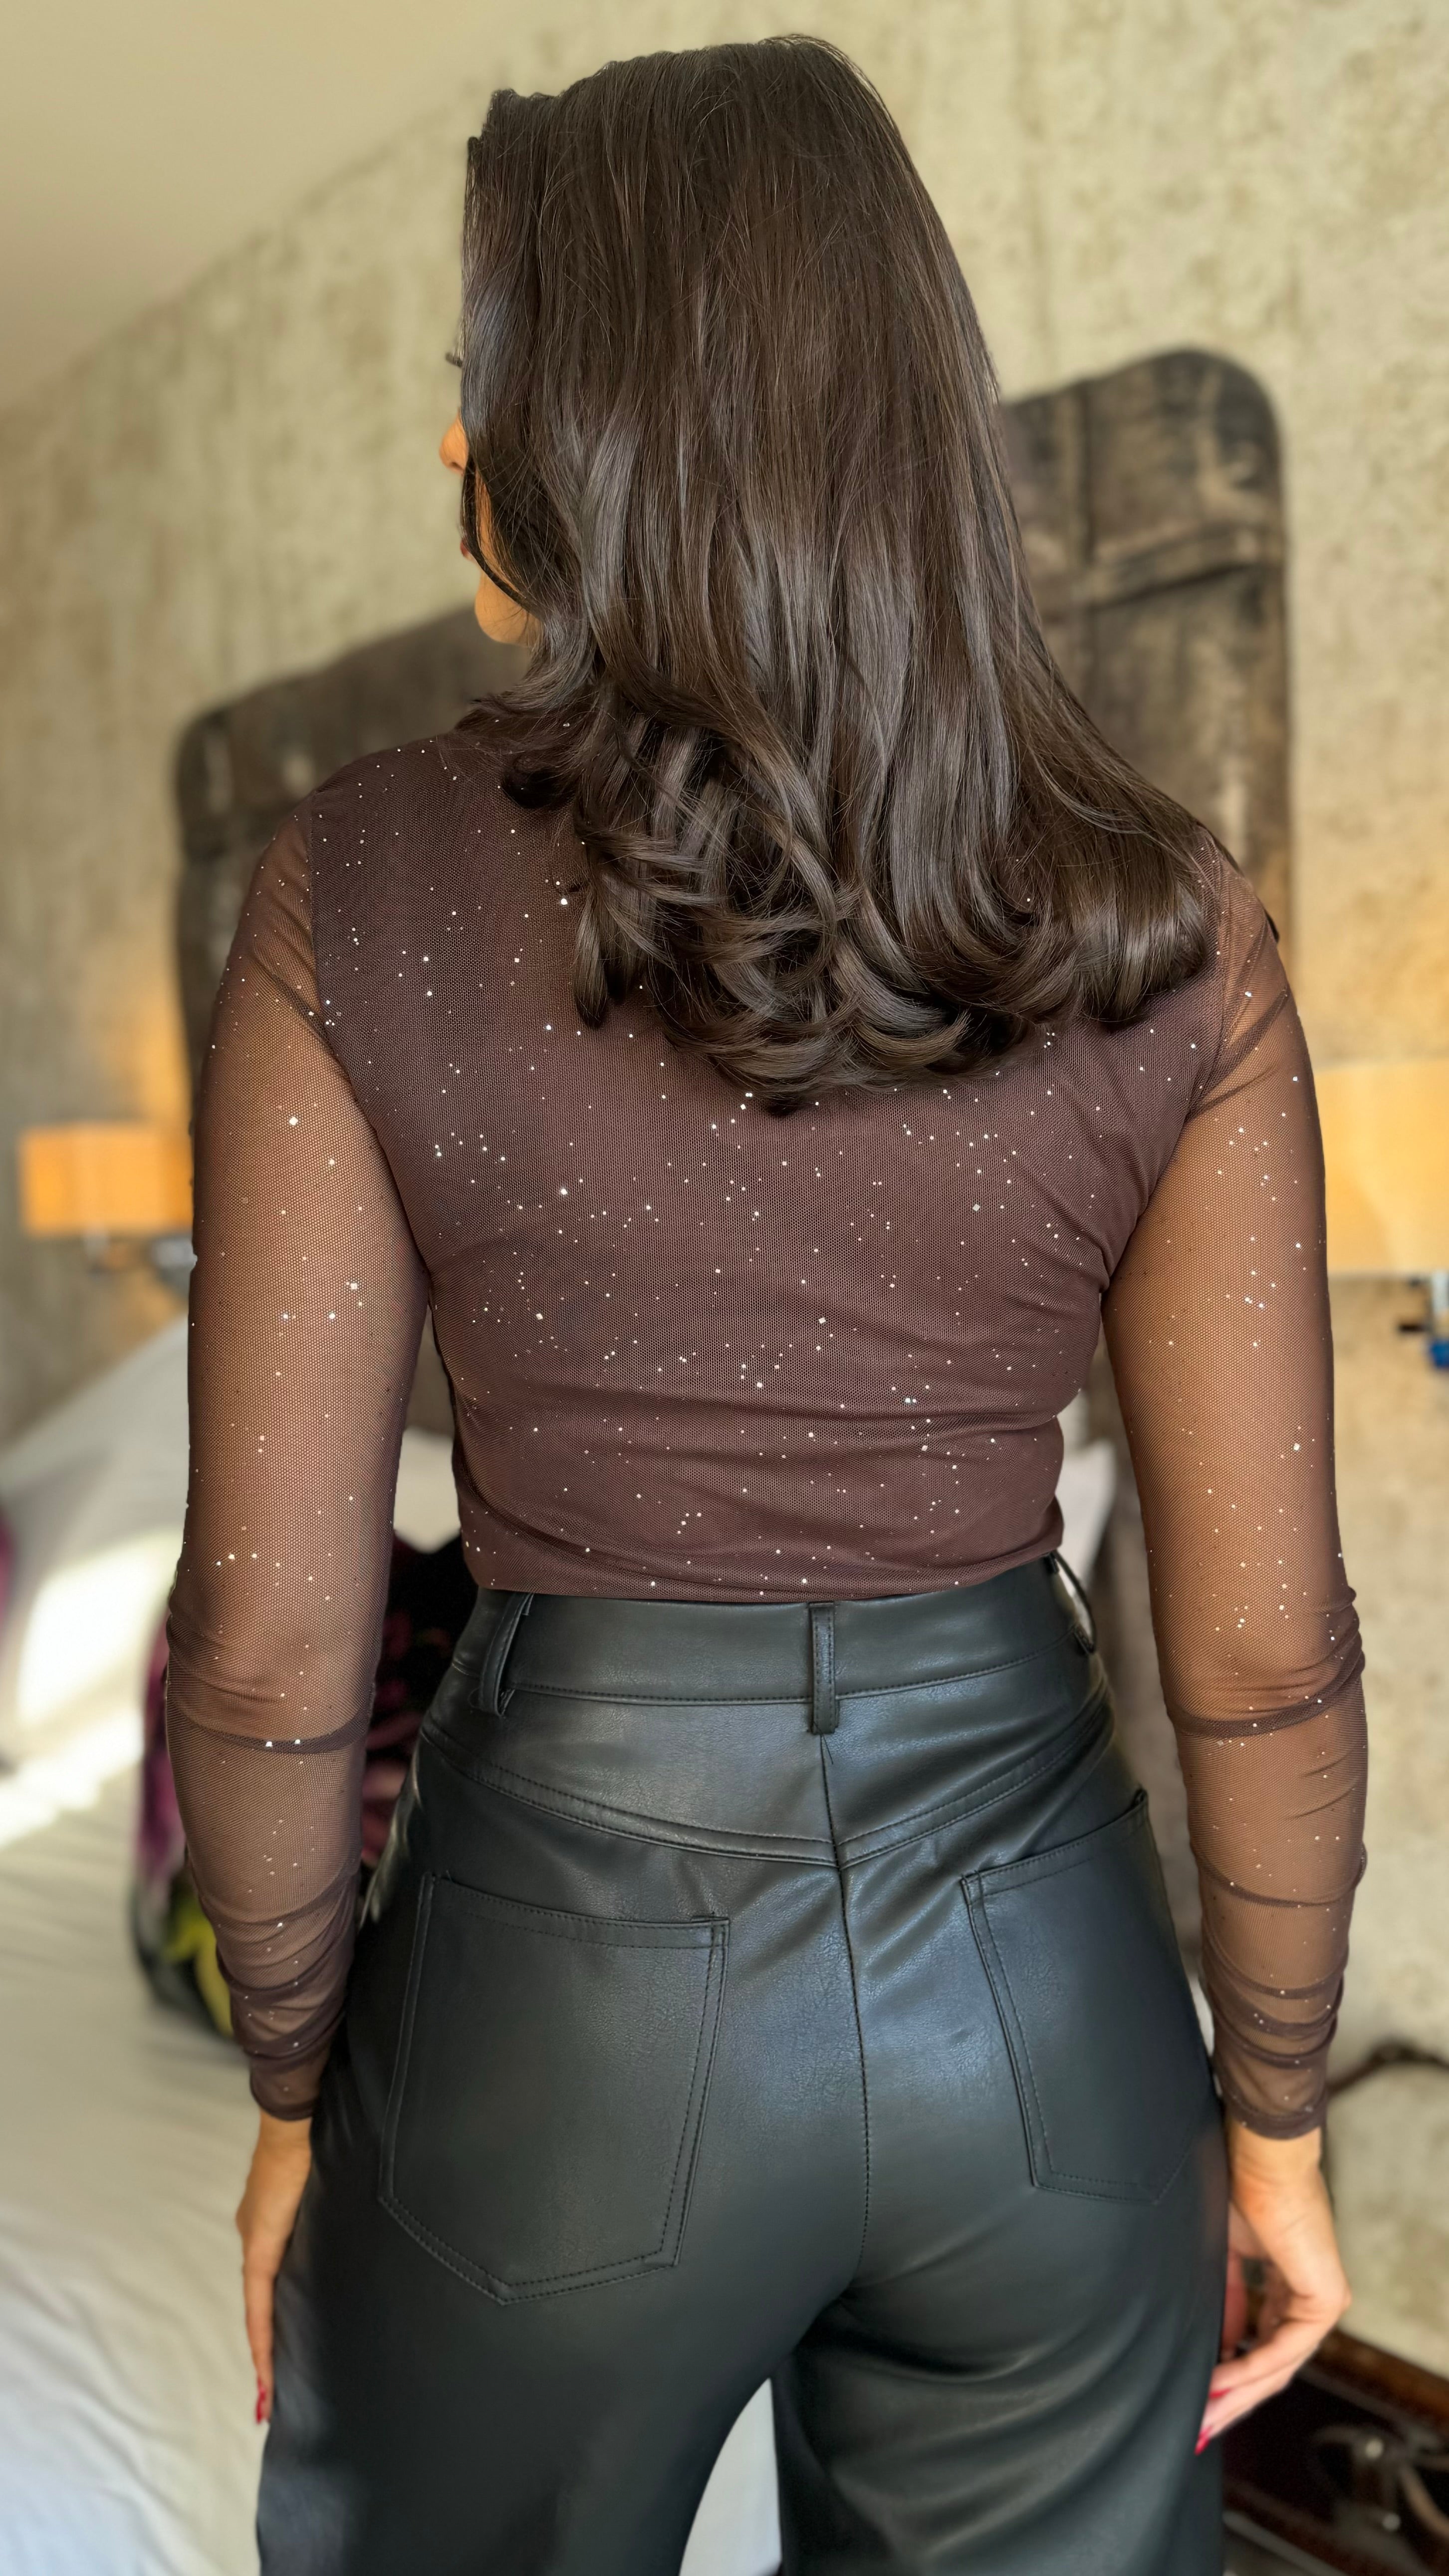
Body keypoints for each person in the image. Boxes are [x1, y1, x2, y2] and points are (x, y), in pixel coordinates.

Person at [167, 37, 1365, 2576]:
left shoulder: (356, 886)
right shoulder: (1171, 918)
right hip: (1042, 2001)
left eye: (482, 380)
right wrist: (1273, 2115)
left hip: (562, 2008)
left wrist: (294, 2095)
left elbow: (270, 1646)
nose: (453, 443)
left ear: (585, 440)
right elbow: (1261, 1649)